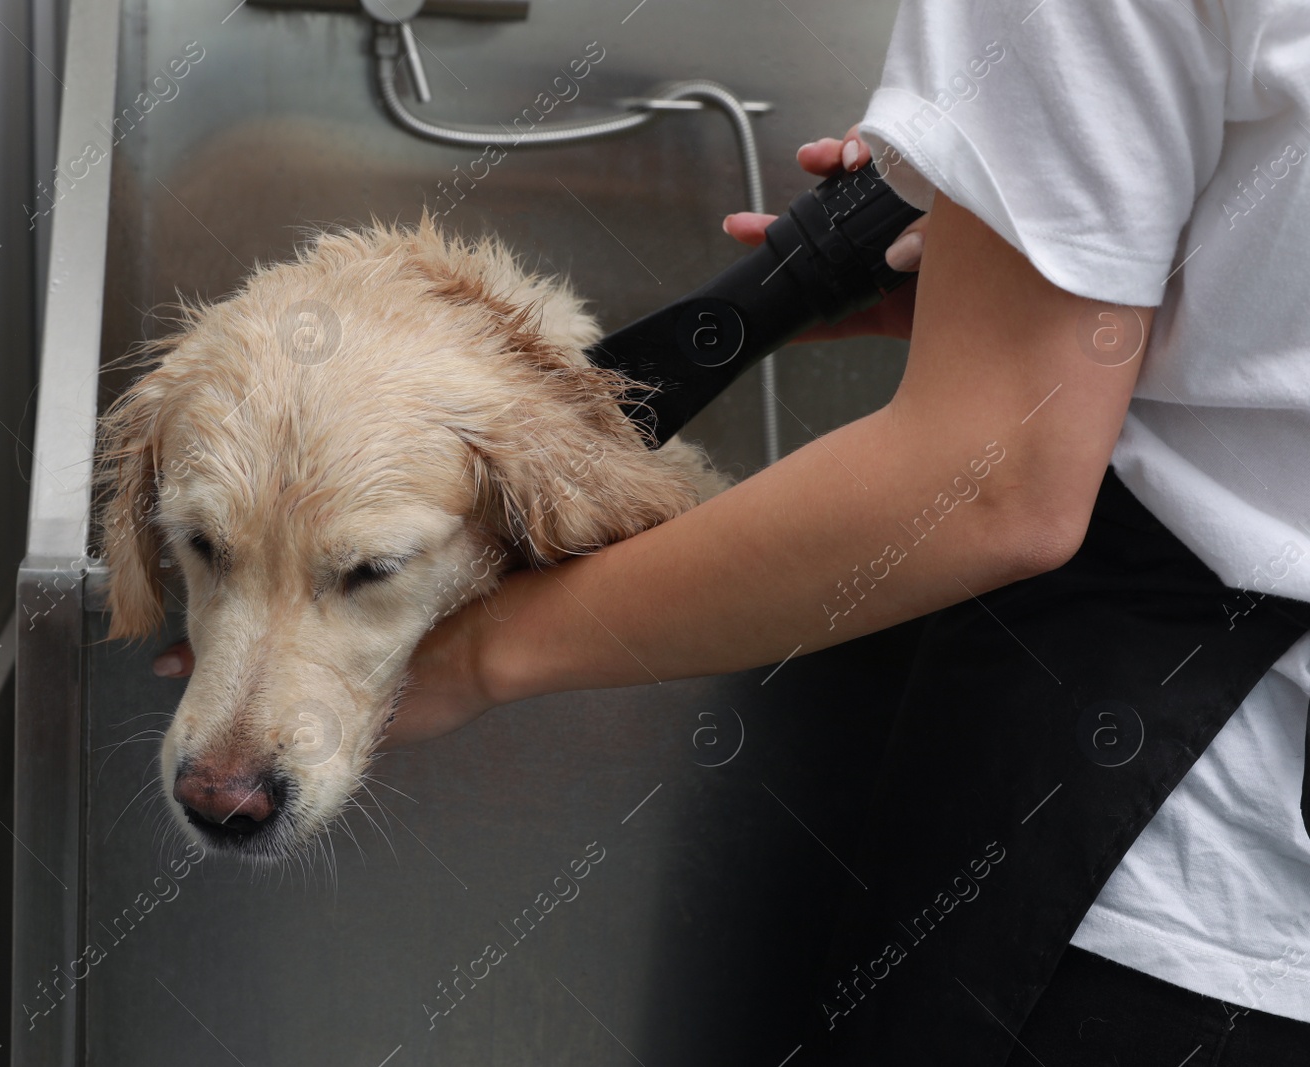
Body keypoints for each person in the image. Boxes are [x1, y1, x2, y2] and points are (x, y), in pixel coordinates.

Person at [157, 2, 1310, 1060]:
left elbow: (996, 486)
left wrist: (476, 656)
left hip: (1156, 880)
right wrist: (1035, 300)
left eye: (367, 568)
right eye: (202, 549)